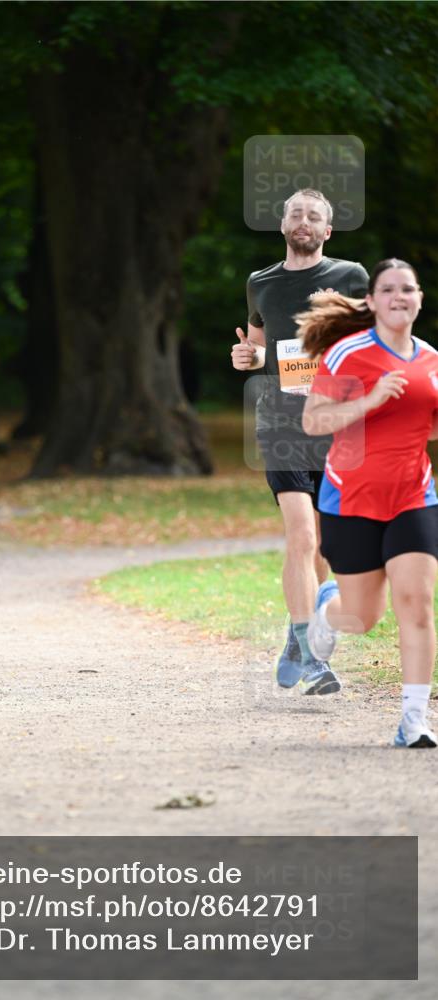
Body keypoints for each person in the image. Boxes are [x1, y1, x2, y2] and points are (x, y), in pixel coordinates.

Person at [231, 189, 369, 694]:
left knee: (326, 544)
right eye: (296, 213)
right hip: (281, 426)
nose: (304, 221)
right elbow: (258, 348)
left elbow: (365, 343)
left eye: (315, 216)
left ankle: (295, 635)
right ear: (283, 223)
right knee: (302, 536)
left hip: (336, 426)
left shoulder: (351, 276)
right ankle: (314, 658)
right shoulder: (260, 283)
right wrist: (245, 358)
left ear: (327, 230)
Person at [299, 259, 437, 748]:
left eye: (408, 289)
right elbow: (314, 422)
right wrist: (371, 400)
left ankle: (414, 720)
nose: (399, 296)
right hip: (351, 497)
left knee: (417, 605)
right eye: (389, 289)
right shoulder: (348, 355)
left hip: (414, 496)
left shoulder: (431, 360)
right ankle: (326, 611)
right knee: (363, 617)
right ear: (373, 301)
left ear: (419, 299)